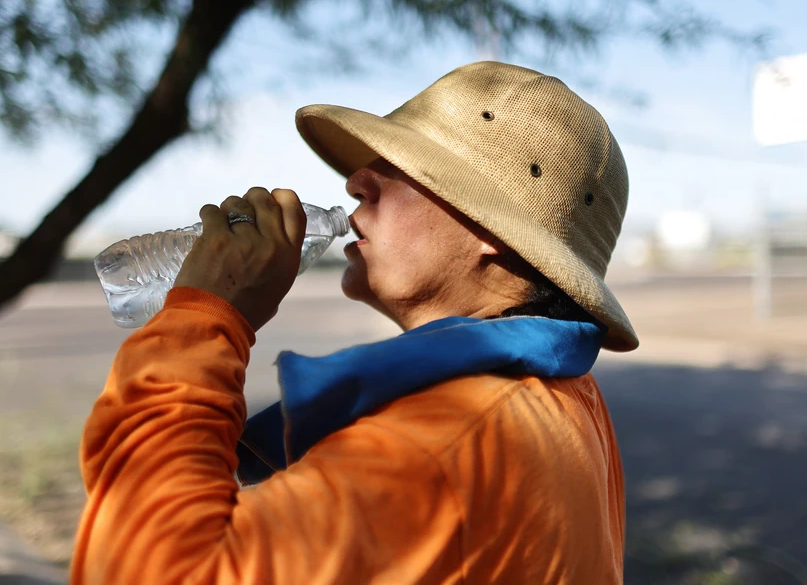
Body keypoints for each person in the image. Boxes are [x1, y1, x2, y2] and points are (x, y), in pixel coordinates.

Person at [71, 61, 638, 585]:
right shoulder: (557, 394)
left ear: (492, 228)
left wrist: (206, 315)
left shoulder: (445, 442)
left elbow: (143, 565)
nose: (356, 181)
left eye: (405, 166)